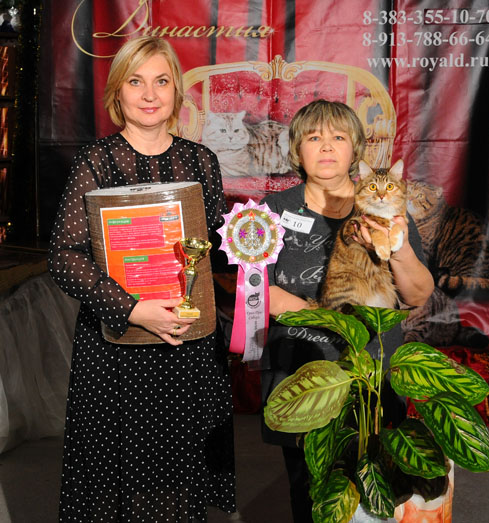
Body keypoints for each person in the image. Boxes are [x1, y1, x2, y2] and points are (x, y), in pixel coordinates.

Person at [48, 36, 235, 522]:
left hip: (186, 347)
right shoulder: (95, 161)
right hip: (116, 349)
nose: (150, 94)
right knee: (115, 484)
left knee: (177, 484)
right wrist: (133, 309)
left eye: (161, 81)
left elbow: (212, 252)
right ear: (118, 91)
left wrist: (246, 246)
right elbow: (64, 257)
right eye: (136, 81)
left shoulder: (202, 161)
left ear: (177, 92)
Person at [259, 99, 434, 522]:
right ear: (297, 149)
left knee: (375, 500)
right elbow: (255, 292)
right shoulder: (272, 211)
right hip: (303, 375)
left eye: (338, 137)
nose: (326, 147)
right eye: (314, 137)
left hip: (373, 377)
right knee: (310, 495)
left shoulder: (385, 207)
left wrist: (399, 247)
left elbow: (418, 294)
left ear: (354, 149)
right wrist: (322, 315)